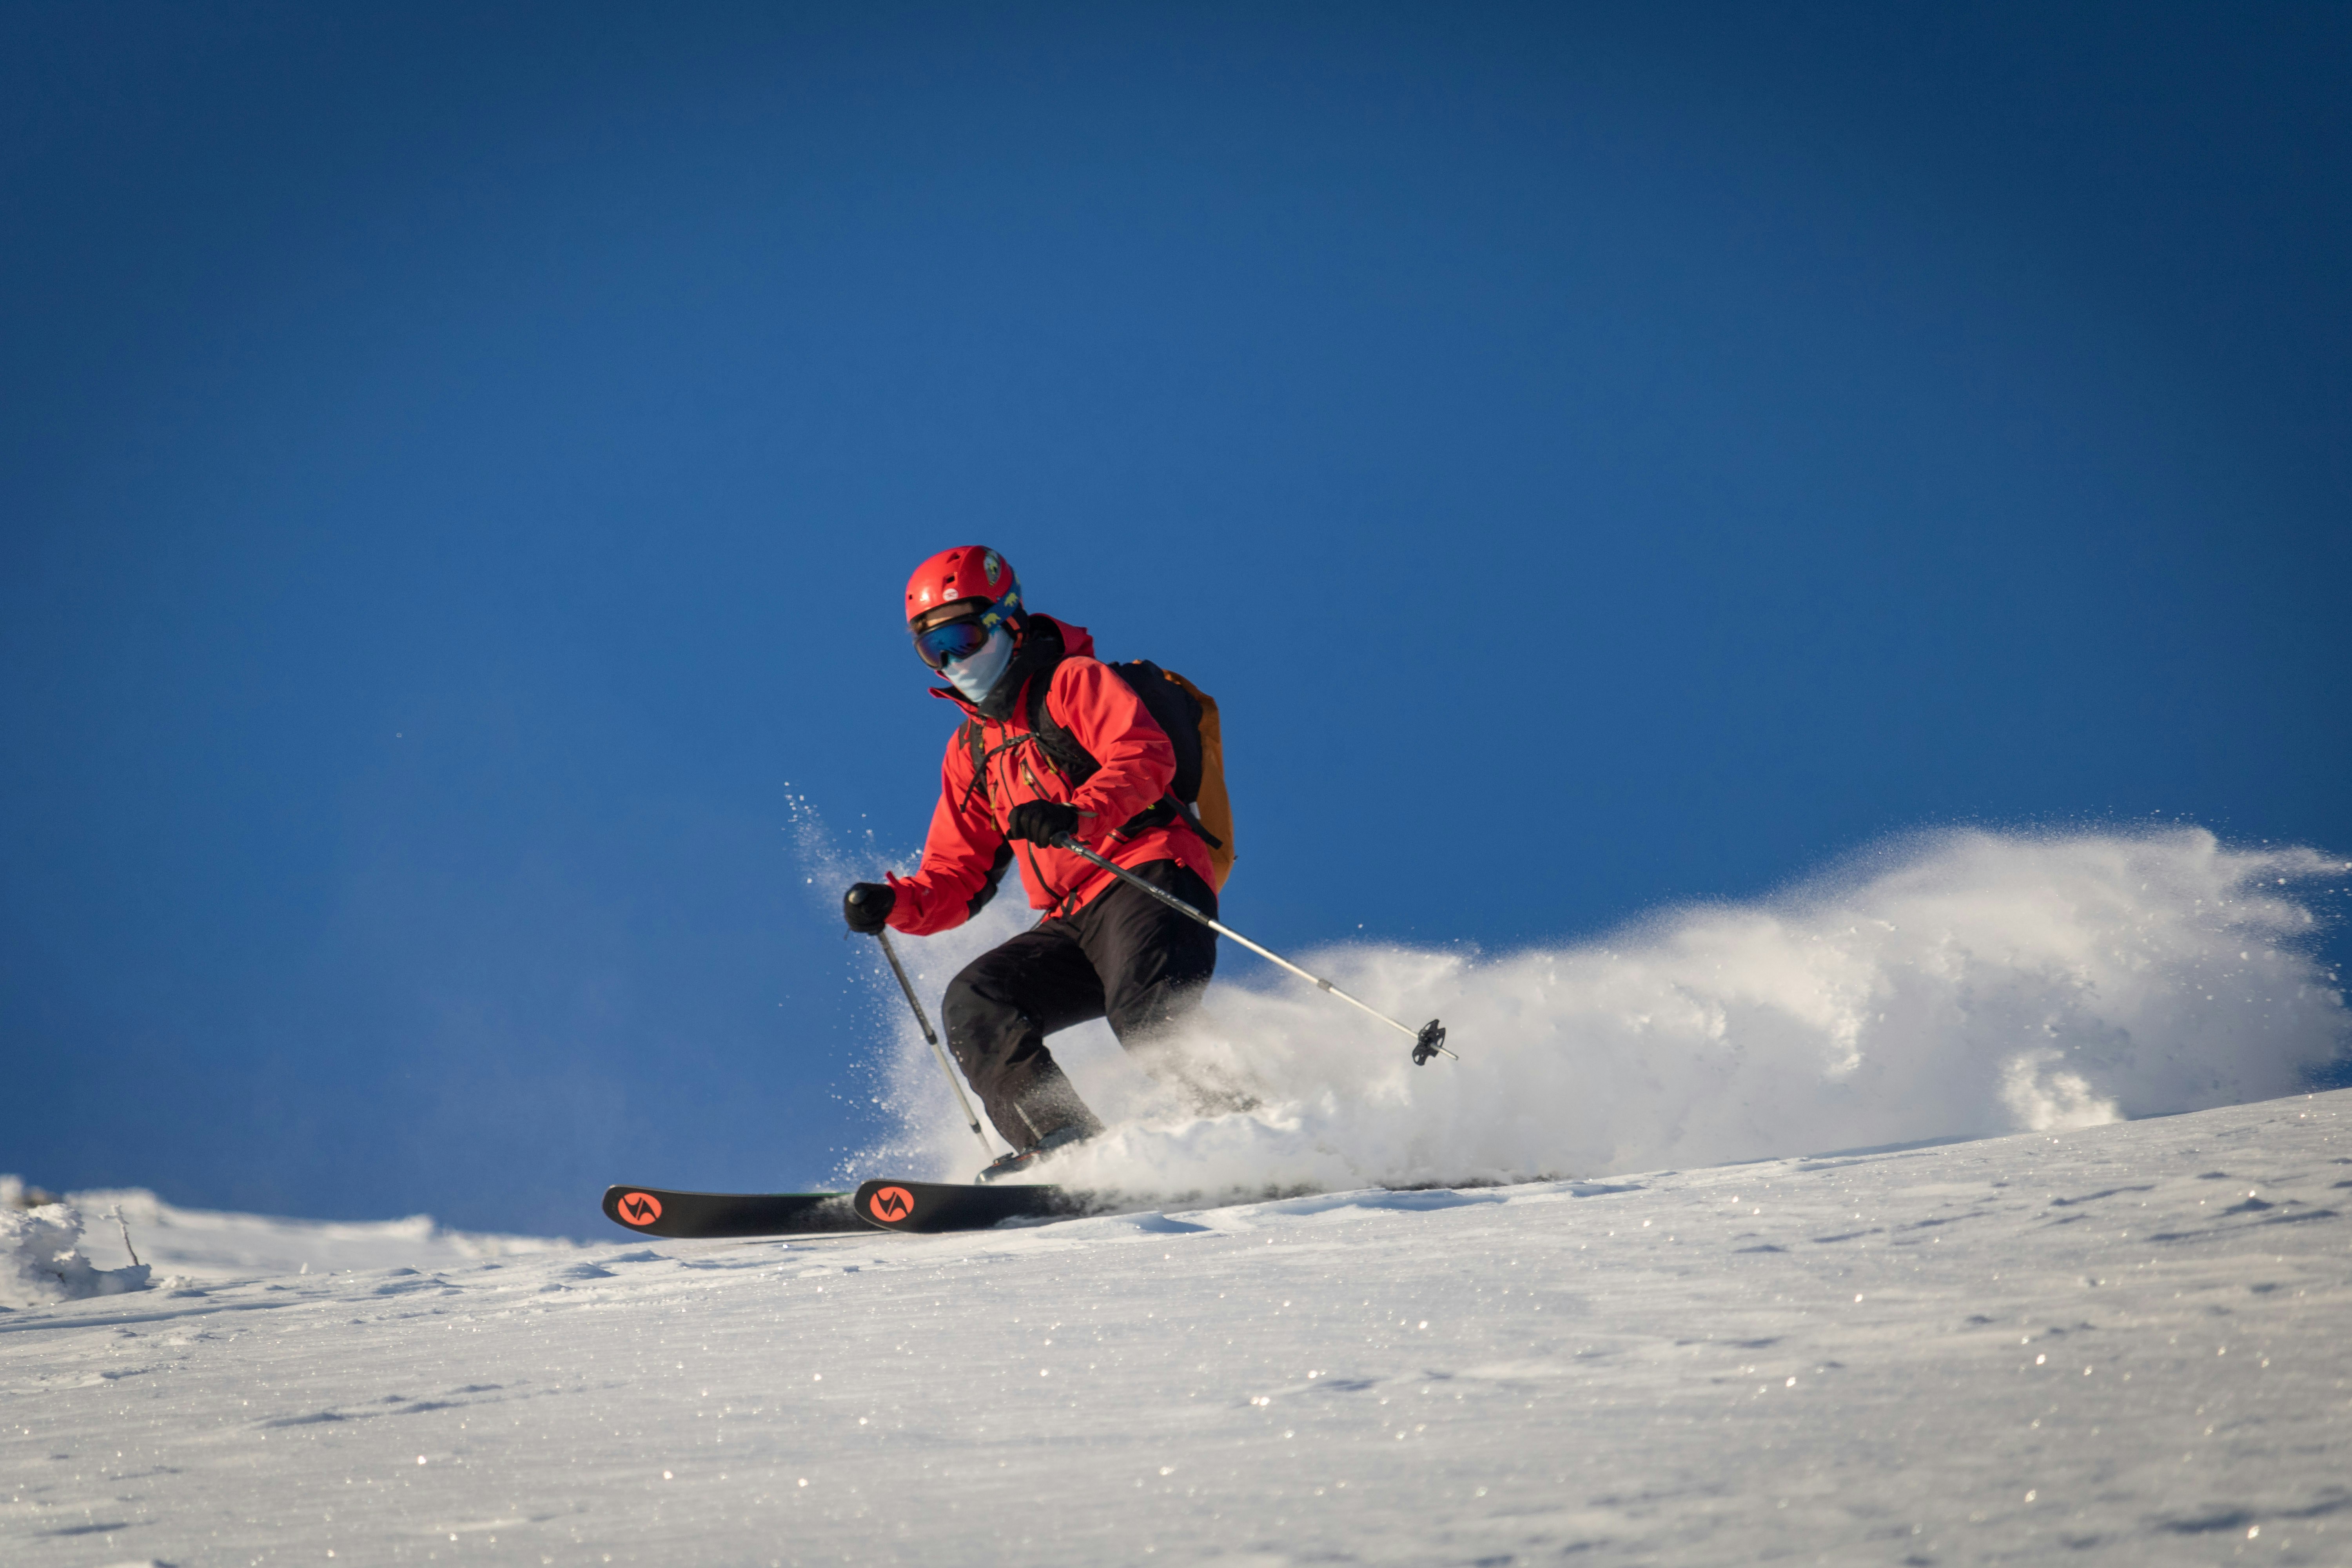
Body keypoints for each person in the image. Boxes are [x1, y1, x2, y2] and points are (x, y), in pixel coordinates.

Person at [842, 545, 1226, 1179]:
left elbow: (1143, 757)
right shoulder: (971, 750)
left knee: (1146, 1014)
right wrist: (898, 904)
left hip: (1145, 876)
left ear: (1007, 621)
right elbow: (955, 875)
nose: (952, 660)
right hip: (1071, 918)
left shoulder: (1075, 683)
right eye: (932, 650)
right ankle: (1065, 1144)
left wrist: (1078, 813)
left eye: (962, 637)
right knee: (978, 999)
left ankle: (1247, 1125)